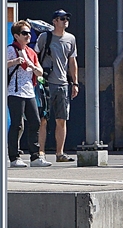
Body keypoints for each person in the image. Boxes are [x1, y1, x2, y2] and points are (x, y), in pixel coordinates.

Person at [32, 10, 78, 164]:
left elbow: (72, 62)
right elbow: (34, 55)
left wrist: (75, 83)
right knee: (43, 119)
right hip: (46, 83)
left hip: (63, 83)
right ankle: (41, 153)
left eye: (67, 18)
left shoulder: (71, 38)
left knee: (61, 119)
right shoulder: (45, 37)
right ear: (54, 21)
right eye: (62, 19)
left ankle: (60, 153)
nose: (65, 21)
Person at [7, 21, 44, 168]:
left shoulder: (31, 52)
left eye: (29, 33)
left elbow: (40, 72)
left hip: (29, 91)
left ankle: (35, 156)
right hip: (14, 91)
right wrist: (14, 61)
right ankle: (14, 157)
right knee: (17, 124)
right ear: (16, 36)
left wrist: (33, 66)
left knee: (35, 121)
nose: (28, 35)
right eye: (24, 33)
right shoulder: (10, 49)